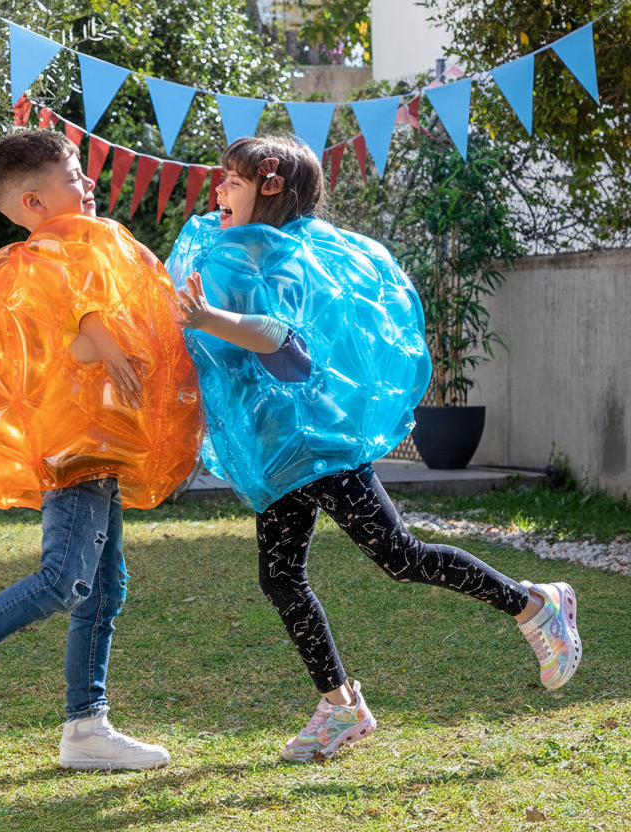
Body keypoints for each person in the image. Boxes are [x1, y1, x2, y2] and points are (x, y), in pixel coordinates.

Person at [171, 135, 582, 763]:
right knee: (280, 579)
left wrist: (208, 319)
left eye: (234, 180)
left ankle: (537, 604)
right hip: (282, 450)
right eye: (221, 177)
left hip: (322, 443)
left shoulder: (289, 262)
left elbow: (288, 347)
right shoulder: (236, 255)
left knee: (399, 556)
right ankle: (341, 707)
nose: (219, 190)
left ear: (271, 190)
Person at [0, 129, 203, 770]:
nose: (88, 183)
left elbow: (89, 325)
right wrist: (105, 341)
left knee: (103, 588)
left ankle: (86, 728)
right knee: (66, 580)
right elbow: (72, 320)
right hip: (75, 447)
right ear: (33, 202)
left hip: (100, 443)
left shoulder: (84, 251)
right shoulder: (38, 265)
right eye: (72, 177)